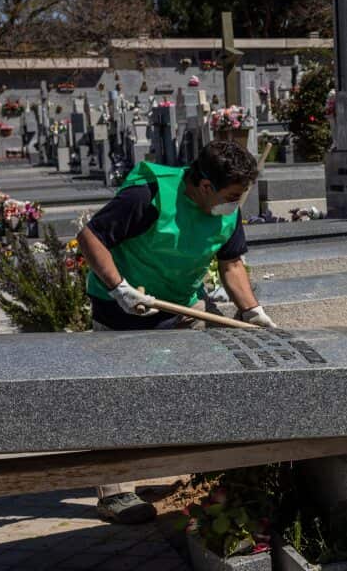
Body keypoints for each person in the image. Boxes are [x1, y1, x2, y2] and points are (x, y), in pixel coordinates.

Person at [76, 140, 276, 523]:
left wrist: (252, 312)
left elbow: (231, 264)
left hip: (181, 302)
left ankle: (201, 466)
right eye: (231, 196)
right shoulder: (148, 196)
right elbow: (91, 237)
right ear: (203, 186)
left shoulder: (227, 210)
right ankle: (115, 492)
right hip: (123, 305)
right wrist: (119, 288)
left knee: (207, 374)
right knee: (121, 397)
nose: (235, 204)